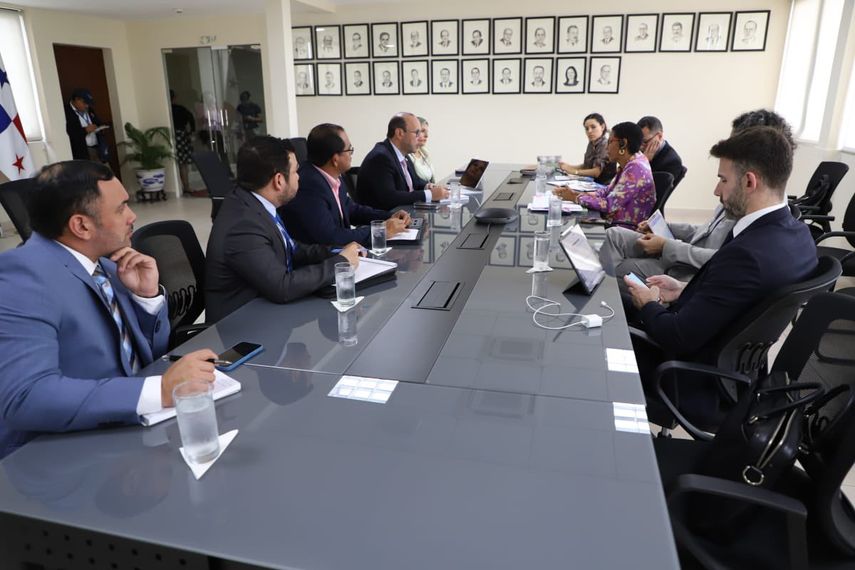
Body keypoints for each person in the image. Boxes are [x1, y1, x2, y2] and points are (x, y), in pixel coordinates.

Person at [0, 160, 218, 459]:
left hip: (124, 433)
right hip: (55, 458)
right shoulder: (22, 277)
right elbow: (26, 398)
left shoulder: (106, 263)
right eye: (121, 208)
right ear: (81, 225)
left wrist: (147, 297)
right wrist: (160, 390)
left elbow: (144, 359)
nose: (133, 216)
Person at [623, 126, 817, 420]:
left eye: (723, 180)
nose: (716, 191)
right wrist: (684, 290)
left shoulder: (747, 254)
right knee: (618, 303)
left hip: (686, 377)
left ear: (750, 181)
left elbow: (676, 337)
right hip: (731, 369)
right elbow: (738, 302)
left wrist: (648, 303)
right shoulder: (799, 236)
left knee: (600, 329)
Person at [602, 109, 795, 283]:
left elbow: (723, 261)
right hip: (681, 250)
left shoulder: (755, 212)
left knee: (613, 270)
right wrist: (664, 227)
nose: (717, 190)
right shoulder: (740, 196)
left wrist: (666, 246)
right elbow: (705, 232)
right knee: (614, 235)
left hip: (684, 268)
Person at [205, 136, 361, 323]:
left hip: (266, 310)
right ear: (279, 180)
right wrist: (340, 263)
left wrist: (336, 252)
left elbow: (291, 249)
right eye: (296, 171)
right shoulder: (243, 224)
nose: (299, 177)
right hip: (241, 327)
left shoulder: (255, 202)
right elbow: (282, 286)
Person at [281, 123, 409, 248]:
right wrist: (380, 231)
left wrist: (389, 216)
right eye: (349, 149)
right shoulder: (309, 187)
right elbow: (330, 237)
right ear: (335, 159)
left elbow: (351, 209)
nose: (351, 154)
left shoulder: (332, 175)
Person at [555, 122, 655, 228]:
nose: (607, 148)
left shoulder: (636, 168)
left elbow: (609, 205)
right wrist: (577, 193)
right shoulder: (633, 160)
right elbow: (607, 191)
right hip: (615, 220)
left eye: (610, 142)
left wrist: (576, 197)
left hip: (623, 228)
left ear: (623, 143)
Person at [357, 112, 449, 209]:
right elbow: (390, 198)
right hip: (384, 220)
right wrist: (429, 195)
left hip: (405, 215)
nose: (419, 138)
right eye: (417, 133)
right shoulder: (380, 158)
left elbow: (415, 183)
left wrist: (428, 187)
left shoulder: (403, 154)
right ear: (400, 133)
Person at [558, 113, 615, 184]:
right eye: (587, 129)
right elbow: (587, 165)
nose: (589, 131)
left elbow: (596, 172)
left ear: (602, 127)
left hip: (603, 186)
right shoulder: (591, 144)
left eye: (593, 127)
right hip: (591, 184)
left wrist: (574, 171)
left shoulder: (605, 144)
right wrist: (568, 167)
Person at [64, 88, 108, 162]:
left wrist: (100, 127)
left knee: (106, 172)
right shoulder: (66, 112)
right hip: (83, 152)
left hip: (98, 149)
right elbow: (70, 132)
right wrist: (85, 130)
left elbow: (98, 121)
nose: (87, 106)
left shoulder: (89, 110)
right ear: (77, 99)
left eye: (88, 103)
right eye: (84, 103)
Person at [637, 116, 684, 184]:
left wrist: (644, 163)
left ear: (659, 136)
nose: (640, 147)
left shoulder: (672, 162)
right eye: (638, 141)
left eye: (644, 141)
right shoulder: (636, 150)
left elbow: (652, 191)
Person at [170, 89, 196, 194]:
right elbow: (191, 120)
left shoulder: (167, 110)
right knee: (183, 163)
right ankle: (186, 186)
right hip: (182, 135)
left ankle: (181, 186)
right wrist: (191, 132)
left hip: (173, 135)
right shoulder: (181, 109)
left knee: (178, 162)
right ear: (175, 97)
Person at [409, 116, 435, 184]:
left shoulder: (425, 153)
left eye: (427, 132)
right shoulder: (406, 156)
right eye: (422, 131)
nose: (426, 135)